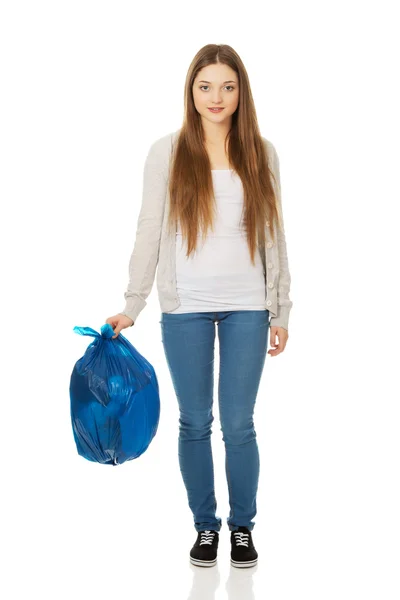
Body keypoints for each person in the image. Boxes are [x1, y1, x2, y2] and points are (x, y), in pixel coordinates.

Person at [106, 43, 293, 569]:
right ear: (191, 91)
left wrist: (280, 308)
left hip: (248, 307)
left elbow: (274, 236)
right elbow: (149, 229)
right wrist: (133, 303)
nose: (217, 97)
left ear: (241, 92)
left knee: (238, 422)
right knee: (194, 422)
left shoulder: (262, 152)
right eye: (206, 86)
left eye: (228, 87)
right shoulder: (166, 152)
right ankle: (205, 527)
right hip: (184, 304)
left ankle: (242, 529)